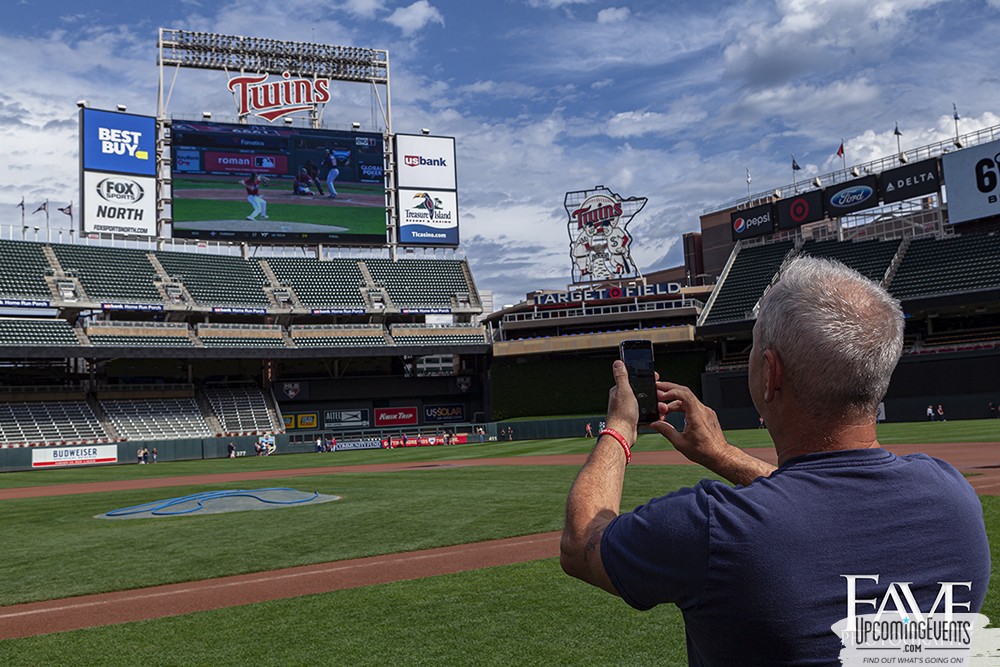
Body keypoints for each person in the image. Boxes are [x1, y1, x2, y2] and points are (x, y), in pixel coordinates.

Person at [561, 257, 990, 664]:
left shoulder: (713, 527)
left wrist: (619, 427)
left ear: (771, 373)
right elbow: (824, 504)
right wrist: (724, 456)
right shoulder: (954, 497)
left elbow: (582, 545)